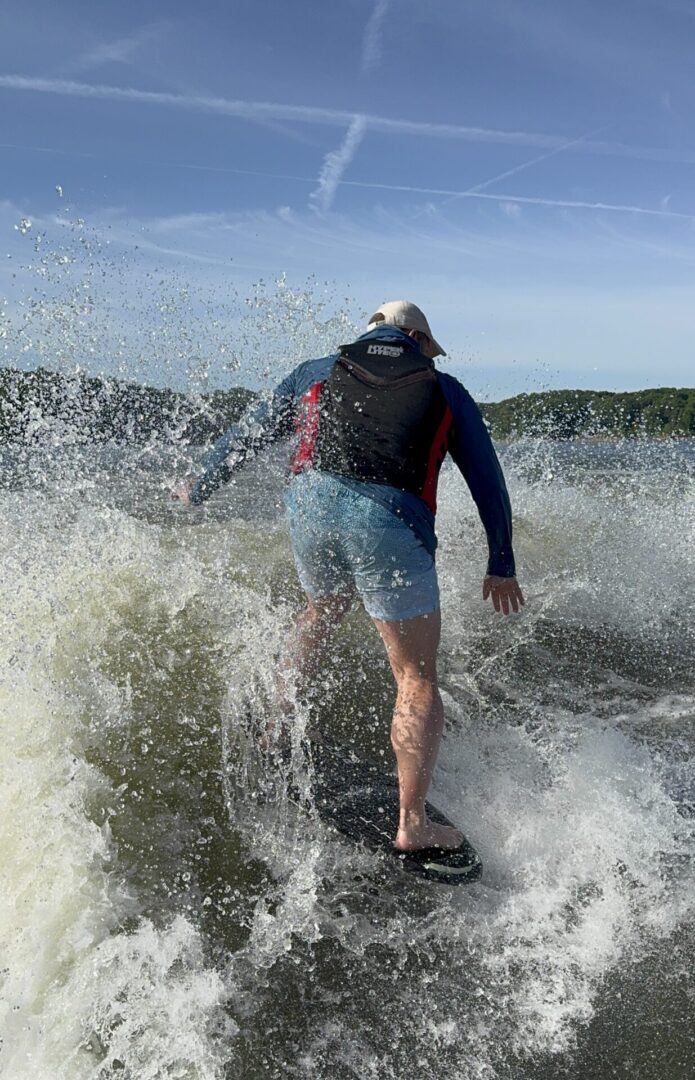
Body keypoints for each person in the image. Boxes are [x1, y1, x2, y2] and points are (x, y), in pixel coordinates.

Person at [173, 300, 524, 853]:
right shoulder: (445, 389)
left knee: (322, 609)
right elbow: (488, 480)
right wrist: (500, 561)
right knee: (415, 677)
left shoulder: (315, 371)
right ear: (414, 337)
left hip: (309, 506)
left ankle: (274, 731)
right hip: (387, 519)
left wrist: (200, 486)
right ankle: (412, 824)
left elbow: (246, 434)